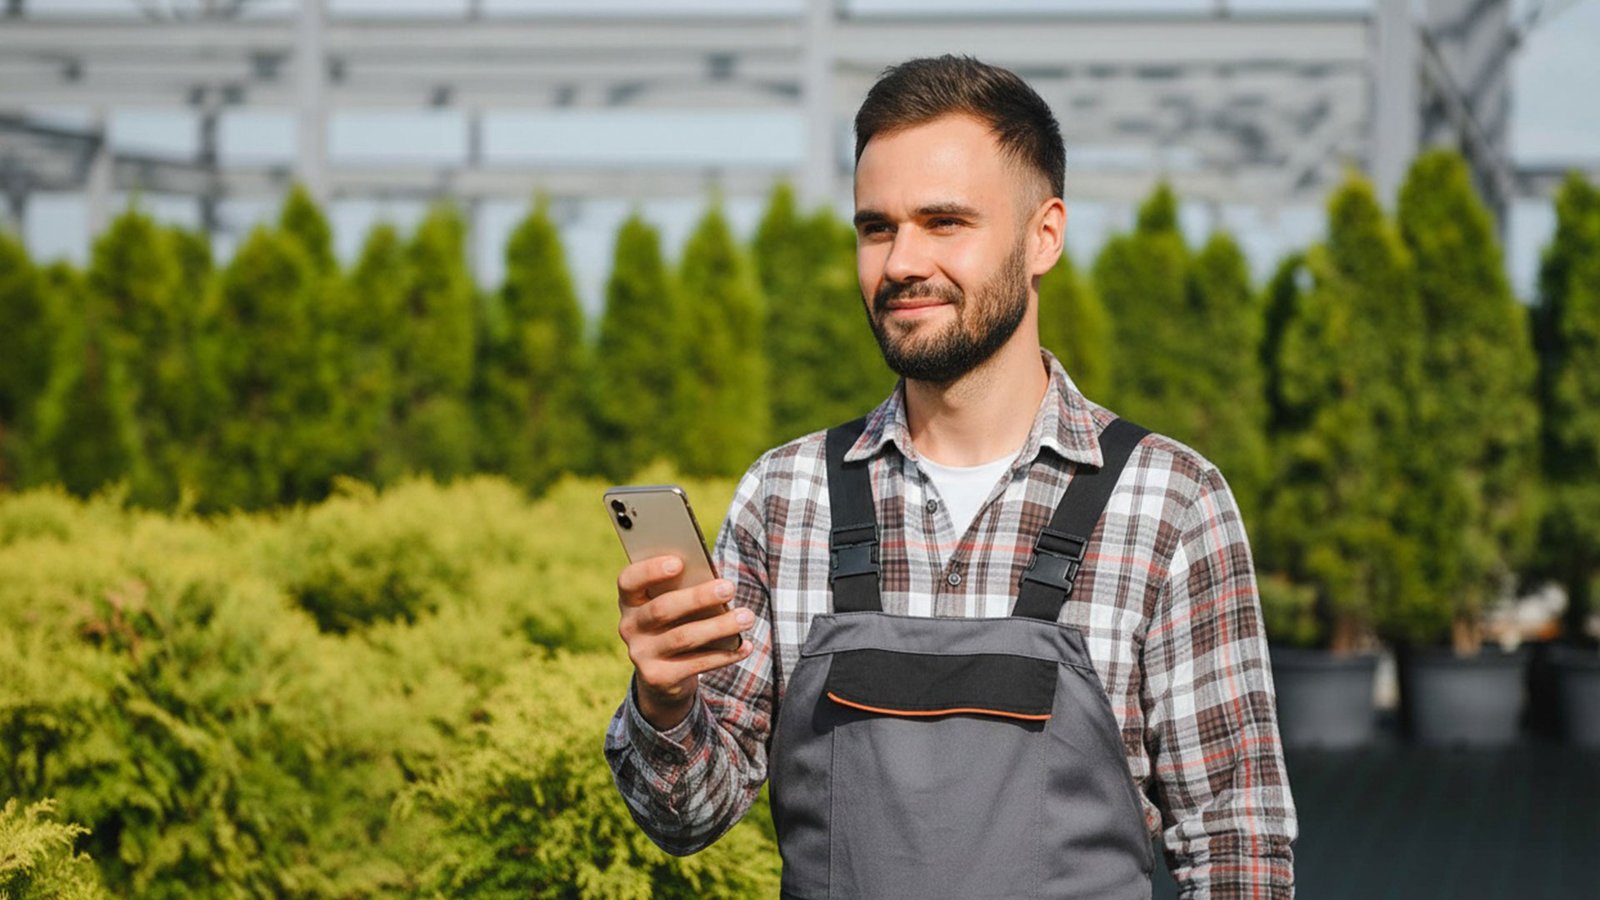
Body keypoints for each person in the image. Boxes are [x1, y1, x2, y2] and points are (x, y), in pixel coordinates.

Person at [606, 55, 1296, 898]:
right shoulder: (786, 497)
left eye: (944, 223)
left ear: (1043, 236)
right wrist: (666, 704)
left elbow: (1236, 844)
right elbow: (689, 815)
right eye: (876, 227)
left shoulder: (1170, 503)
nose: (901, 261)